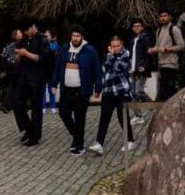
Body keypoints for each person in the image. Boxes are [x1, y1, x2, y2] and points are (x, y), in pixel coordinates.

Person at [50, 25, 100, 156]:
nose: (75, 38)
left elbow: (97, 70)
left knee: (79, 117)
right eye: (73, 36)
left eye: (78, 36)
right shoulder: (65, 49)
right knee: (63, 113)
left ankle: (79, 144)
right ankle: (77, 136)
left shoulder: (89, 50)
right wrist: (54, 84)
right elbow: (57, 67)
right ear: (70, 36)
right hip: (66, 88)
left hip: (82, 90)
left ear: (82, 37)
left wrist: (98, 87)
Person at [87, 35, 136, 156]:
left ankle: (130, 140)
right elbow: (105, 70)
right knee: (104, 117)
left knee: (122, 116)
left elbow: (119, 68)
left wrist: (113, 57)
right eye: (113, 46)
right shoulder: (108, 55)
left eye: (118, 46)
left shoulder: (126, 54)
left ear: (122, 44)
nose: (115, 48)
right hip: (109, 89)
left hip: (122, 90)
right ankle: (99, 143)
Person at [11, 19, 52, 146]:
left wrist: (26, 53)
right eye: (25, 31)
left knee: (36, 107)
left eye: (28, 30)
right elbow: (18, 59)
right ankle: (29, 129)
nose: (27, 32)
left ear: (33, 27)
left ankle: (35, 136)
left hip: (38, 77)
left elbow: (42, 59)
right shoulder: (23, 40)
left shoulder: (42, 40)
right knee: (16, 102)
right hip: (24, 76)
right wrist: (18, 56)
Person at [148, 9, 185, 101]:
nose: (163, 18)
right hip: (161, 63)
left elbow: (181, 46)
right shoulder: (159, 30)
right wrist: (152, 50)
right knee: (164, 91)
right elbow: (157, 46)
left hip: (171, 63)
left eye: (165, 16)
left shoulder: (174, 29)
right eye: (161, 16)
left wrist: (168, 49)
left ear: (169, 17)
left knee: (169, 90)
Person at [127, 19, 153, 125]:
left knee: (138, 92)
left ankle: (155, 110)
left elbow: (148, 55)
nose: (136, 27)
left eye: (138, 26)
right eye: (134, 26)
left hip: (141, 69)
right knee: (133, 94)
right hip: (133, 69)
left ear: (142, 27)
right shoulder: (133, 39)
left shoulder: (145, 38)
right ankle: (138, 116)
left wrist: (144, 66)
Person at [0, 28, 23, 114]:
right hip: (15, 69)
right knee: (15, 87)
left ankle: (9, 105)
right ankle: (7, 105)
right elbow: (13, 57)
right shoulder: (14, 45)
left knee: (14, 87)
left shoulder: (11, 44)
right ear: (15, 36)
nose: (21, 34)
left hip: (13, 69)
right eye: (19, 33)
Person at [41, 28, 59, 114]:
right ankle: (43, 107)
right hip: (43, 70)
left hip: (51, 70)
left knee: (51, 89)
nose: (46, 35)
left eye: (48, 34)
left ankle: (53, 106)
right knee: (42, 90)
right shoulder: (42, 43)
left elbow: (52, 50)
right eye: (45, 33)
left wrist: (49, 41)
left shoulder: (54, 43)